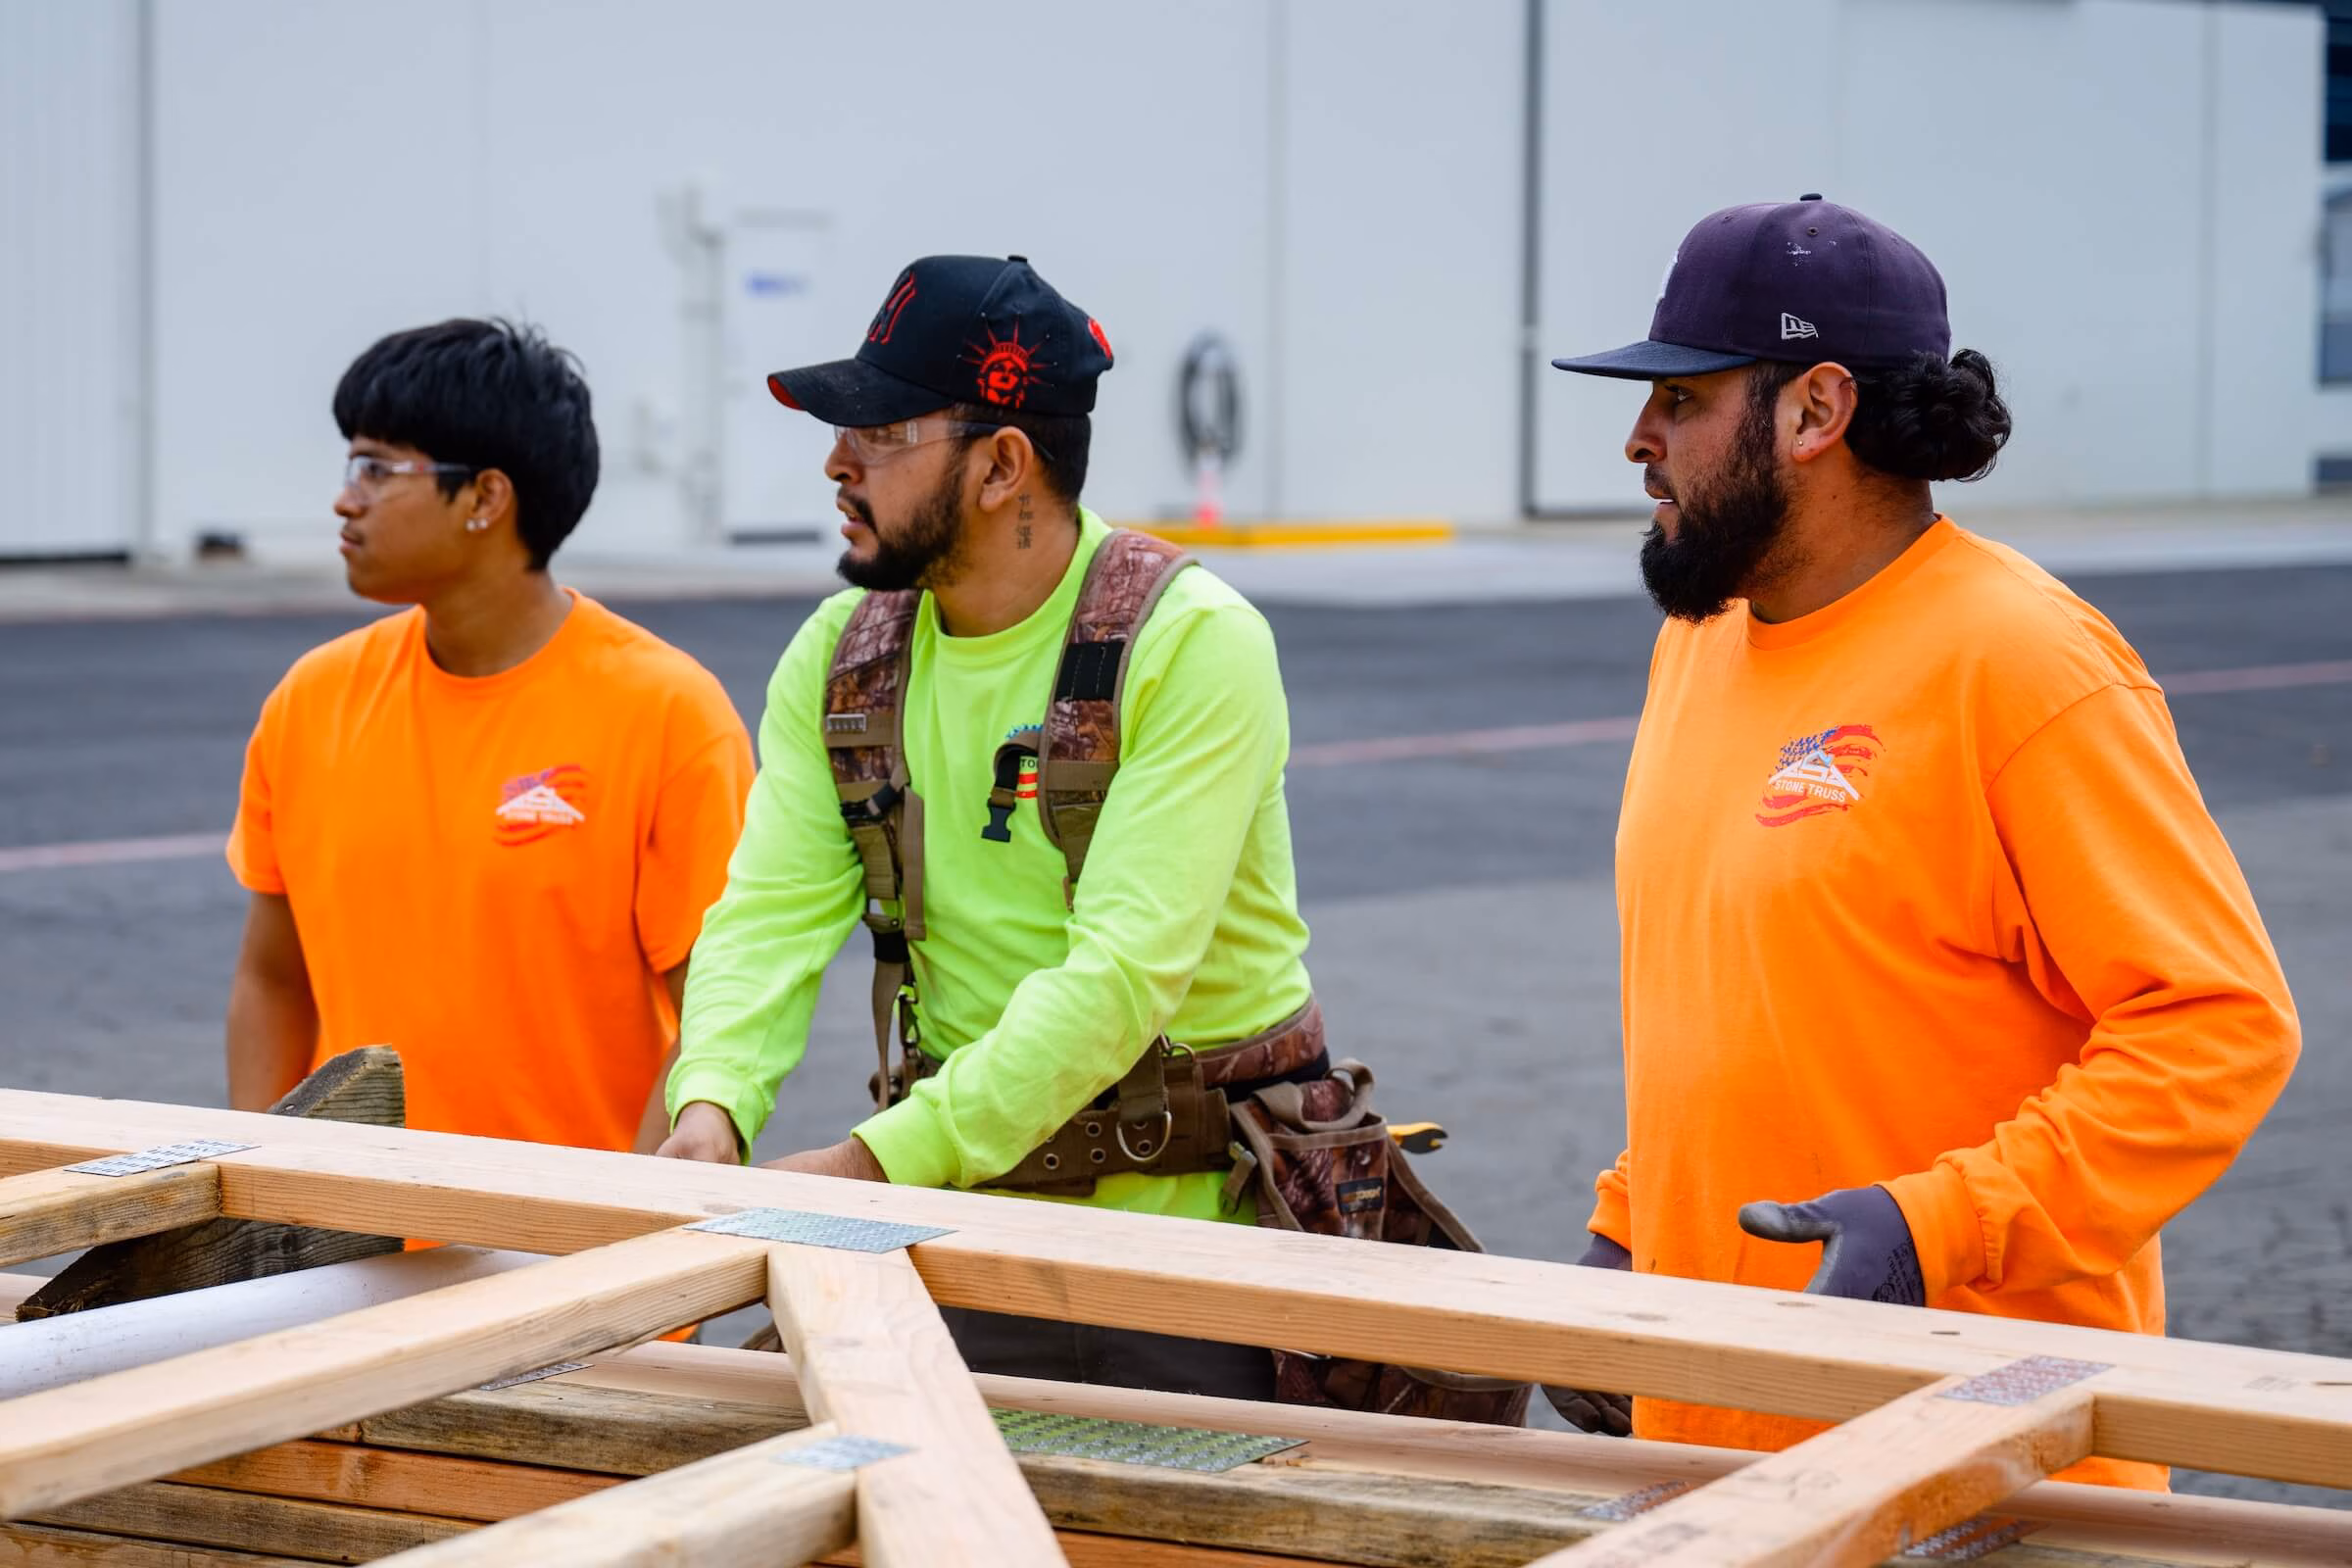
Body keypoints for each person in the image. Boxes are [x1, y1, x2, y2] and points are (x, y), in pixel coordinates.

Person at [1545, 197, 2299, 1489]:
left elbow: (2219, 1028)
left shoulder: (2021, 665)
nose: (1640, 440)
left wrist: (1935, 1225)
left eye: (1682, 400)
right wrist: (1632, 1233)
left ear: (1814, 410)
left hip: (1980, 1466)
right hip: (1724, 1448)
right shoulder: (1701, 643)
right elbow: (1748, 1009)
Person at [657, 256, 1320, 1399]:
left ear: (1002, 464)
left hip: (1190, 1249)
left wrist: (868, 1163)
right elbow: (766, 916)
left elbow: (1117, 980)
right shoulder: (842, 656)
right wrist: (710, 1105)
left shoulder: (1191, 642)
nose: (836, 460)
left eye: (878, 429)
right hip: (956, 1212)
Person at [225, 318, 754, 1156]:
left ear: (484, 499)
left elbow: (720, 1020)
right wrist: (258, 1195)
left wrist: (630, 1225)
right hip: (340, 1241)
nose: (344, 497)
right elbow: (272, 980)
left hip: (561, 1246)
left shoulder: (666, 714)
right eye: (349, 464)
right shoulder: (311, 700)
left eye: (377, 468)